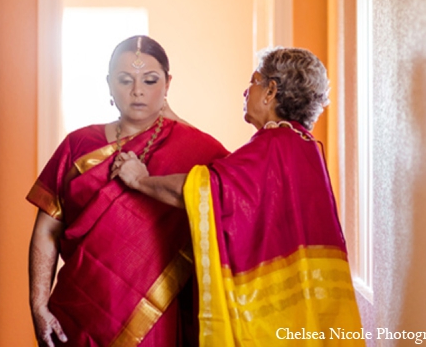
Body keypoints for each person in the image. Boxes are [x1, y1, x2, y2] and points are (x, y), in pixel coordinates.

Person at [113, 47, 364, 346]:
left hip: (274, 322)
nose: (246, 91)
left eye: (254, 81)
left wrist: (140, 180)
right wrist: (175, 119)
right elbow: (234, 176)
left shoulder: (272, 145)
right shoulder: (301, 146)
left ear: (271, 91)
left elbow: (209, 190)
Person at [27, 35, 229, 347]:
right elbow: (46, 230)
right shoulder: (78, 145)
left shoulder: (201, 151)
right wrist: (39, 304)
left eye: (150, 80)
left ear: (167, 83)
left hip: (157, 317)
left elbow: (236, 211)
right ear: (109, 84)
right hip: (76, 314)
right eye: (125, 80)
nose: (137, 91)